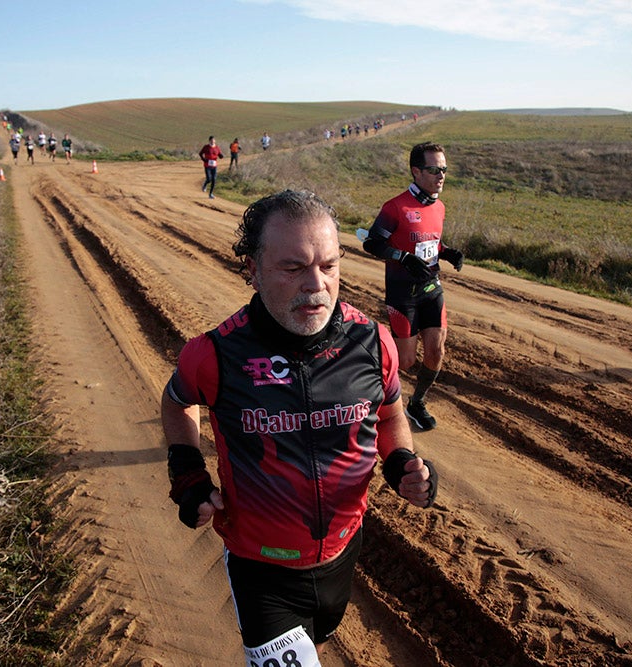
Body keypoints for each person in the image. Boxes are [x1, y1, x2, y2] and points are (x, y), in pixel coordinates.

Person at [161, 190, 437, 667]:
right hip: (261, 569)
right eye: (293, 268)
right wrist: (186, 472)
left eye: (328, 266)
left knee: (318, 644)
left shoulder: (373, 342)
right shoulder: (215, 353)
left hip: (343, 554)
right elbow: (177, 400)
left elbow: (391, 413)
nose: (316, 286)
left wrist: (400, 462)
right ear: (253, 269)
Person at [361, 142, 464, 431]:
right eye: (434, 169)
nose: (441, 175)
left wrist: (447, 252)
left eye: (444, 169)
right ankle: (364, 371)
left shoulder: (439, 207)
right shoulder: (395, 207)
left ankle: (416, 403)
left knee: (436, 351)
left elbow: (429, 240)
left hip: (432, 289)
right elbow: (372, 243)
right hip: (402, 294)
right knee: (405, 361)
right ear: (416, 171)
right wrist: (402, 258)